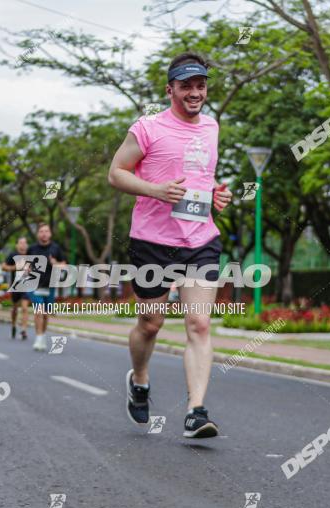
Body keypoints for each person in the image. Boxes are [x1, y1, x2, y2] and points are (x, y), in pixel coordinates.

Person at [107, 52, 233, 438]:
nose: (195, 92)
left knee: (199, 323)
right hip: (152, 241)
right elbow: (115, 173)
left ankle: (196, 411)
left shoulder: (211, 127)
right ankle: (140, 380)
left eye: (200, 85)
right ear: (170, 89)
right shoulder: (147, 129)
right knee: (151, 323)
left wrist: (214, 192)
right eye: (186, 86)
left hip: (200, 238)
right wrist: (154, 190)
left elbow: (200, 174)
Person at [26, 224, 65, 351]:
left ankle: (42, 335)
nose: (44, 233)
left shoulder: (56, 248)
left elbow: (64, 265)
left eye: (46, 231)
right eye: (41, 231)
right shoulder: (32, 249)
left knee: (46, 314)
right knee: (39, 311)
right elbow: (26, 265)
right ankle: (38, 337)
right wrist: (27, 269)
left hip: (49, 285)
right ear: (38, 234)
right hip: (35, 284)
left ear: (50, 234)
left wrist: (55, 263)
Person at [2, 236, 31, 340]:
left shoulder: (30, 255)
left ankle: (23, 330)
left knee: (24, 308)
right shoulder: (13, 255)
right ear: (17, 245)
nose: (23, 245)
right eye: (21, 243)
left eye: (24, 243)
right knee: (15, 309)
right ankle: (14, 325)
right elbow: (3, 266)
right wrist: (14, 267)